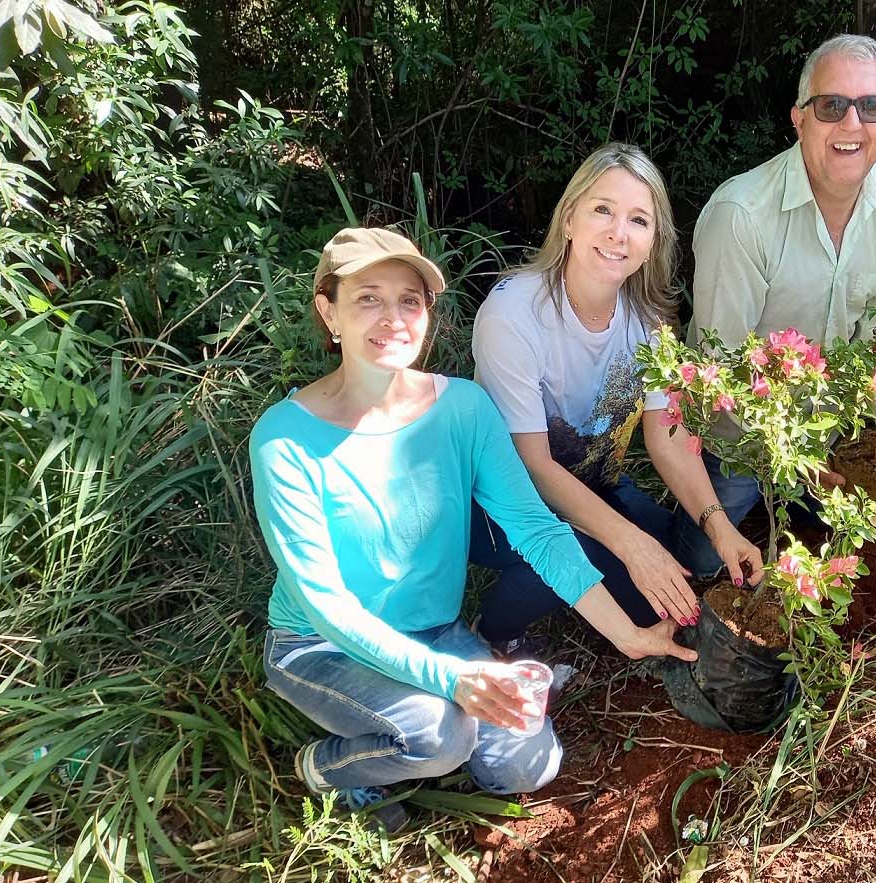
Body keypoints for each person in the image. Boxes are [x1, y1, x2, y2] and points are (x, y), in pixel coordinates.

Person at [250, 227, 696, 832]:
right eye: (367, 298)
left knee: (529, 766)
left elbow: (536, 531)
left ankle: (418, 733)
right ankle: (326, 768)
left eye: (410, 300)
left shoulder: (464, 408)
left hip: (435, 630)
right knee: (439, 738)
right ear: (328, 311)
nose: (393, 317)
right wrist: (455, 679)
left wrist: (626, 635)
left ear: (428, 314)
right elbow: (327, 607)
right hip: (321, 646)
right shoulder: (284, 437)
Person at [471, 143, 764, 651]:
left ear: (652, 243)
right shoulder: (512, 315)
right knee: (580, 553)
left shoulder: (649, 322)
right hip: (501, 506)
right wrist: (629, 544)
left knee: (685, 565)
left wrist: (720, 527)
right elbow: (534, 467)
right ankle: (492, 637)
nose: (617, 233)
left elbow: (667, 439)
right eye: (602, 210)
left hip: (595, 485)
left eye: (638, 220)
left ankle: (600, 575)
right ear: (569, 220)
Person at [677, 33, 876, 576]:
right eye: (832, 106)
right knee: (699, 565)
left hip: (836, 429)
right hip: (740, 438)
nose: (852, 125)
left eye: (872, 107)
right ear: (799, 117)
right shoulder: (740, 216)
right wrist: (796, 459)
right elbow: (717, 370)